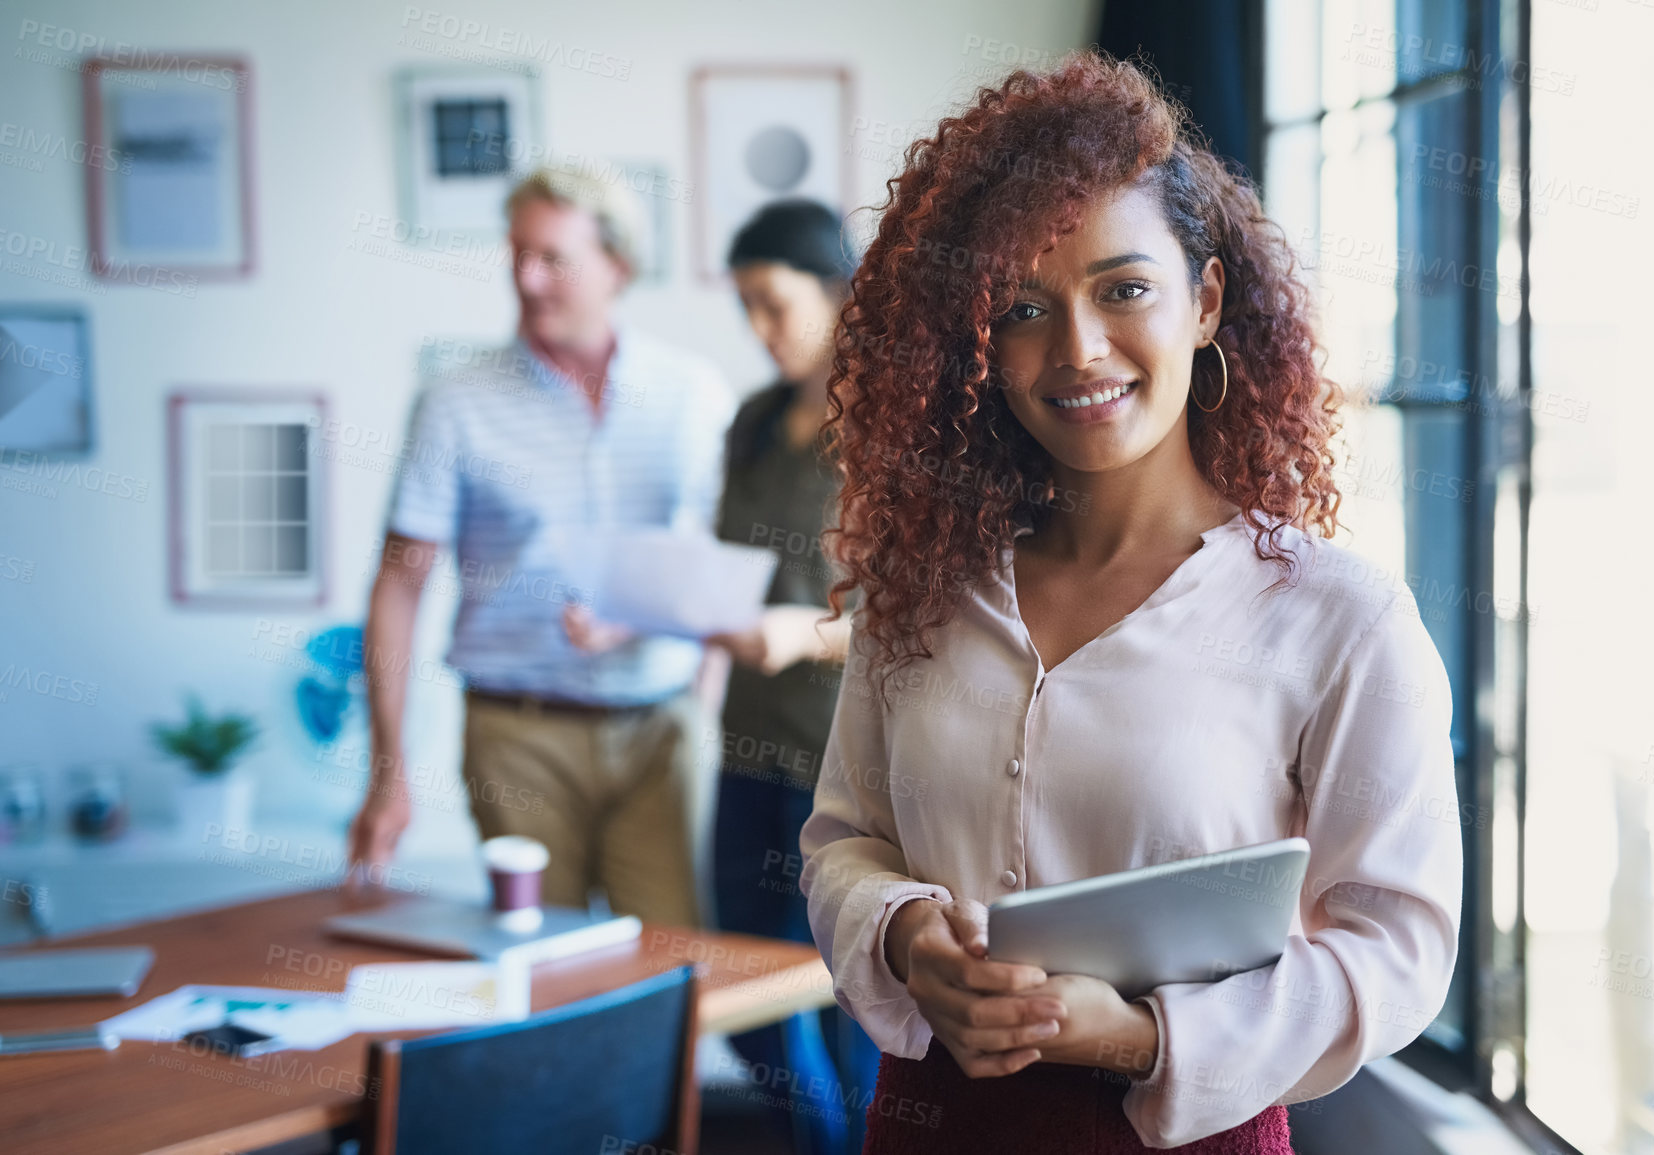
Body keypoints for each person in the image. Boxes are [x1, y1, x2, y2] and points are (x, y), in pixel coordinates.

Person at [799, 52, 1462, 1154]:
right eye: (1021, 307)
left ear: (1204, 302)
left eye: (1124, 288)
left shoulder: (1339, 619)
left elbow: (1400, 948)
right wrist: (911, 936)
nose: (1078, 350)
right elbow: (842, 844)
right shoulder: (923, 592)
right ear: (978, 345)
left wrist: (1143, 1036)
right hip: (932, 1122)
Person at [346, 166, 737, 929]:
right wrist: (388, 774)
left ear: (616, 266)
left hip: (662, 731)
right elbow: (400, 585)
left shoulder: (693, 394)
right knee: (539, 973)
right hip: (516, 735)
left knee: (672, 970)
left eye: (553, 258)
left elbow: (716, 563)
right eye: (517, 253)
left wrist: (701, 700)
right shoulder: (455, 403)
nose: (526, 278)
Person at [704, 200, 877, 1155]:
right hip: (745, 744)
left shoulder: (895, 430)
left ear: (836, 292)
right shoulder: (752, 423)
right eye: (745, 309)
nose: (760, 329)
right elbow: (727, 572)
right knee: (748, 989)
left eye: (772, 303)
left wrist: (807, 636)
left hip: (842, 760)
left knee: (855, 1001)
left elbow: (924, 614)